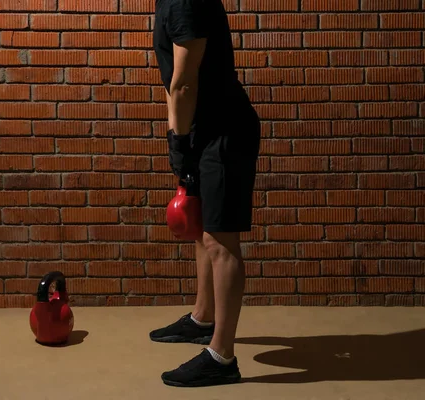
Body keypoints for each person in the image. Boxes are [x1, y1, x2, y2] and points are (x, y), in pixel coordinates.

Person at [150, 0, 262, 388]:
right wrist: (181, 139)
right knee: (201, 227)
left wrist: (178, 141)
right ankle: (203, 319)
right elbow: (173, 83)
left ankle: (221, 356)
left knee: (220, 240)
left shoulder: (185, 3)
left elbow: (184, 82)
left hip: (225, 133)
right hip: (204, 130)